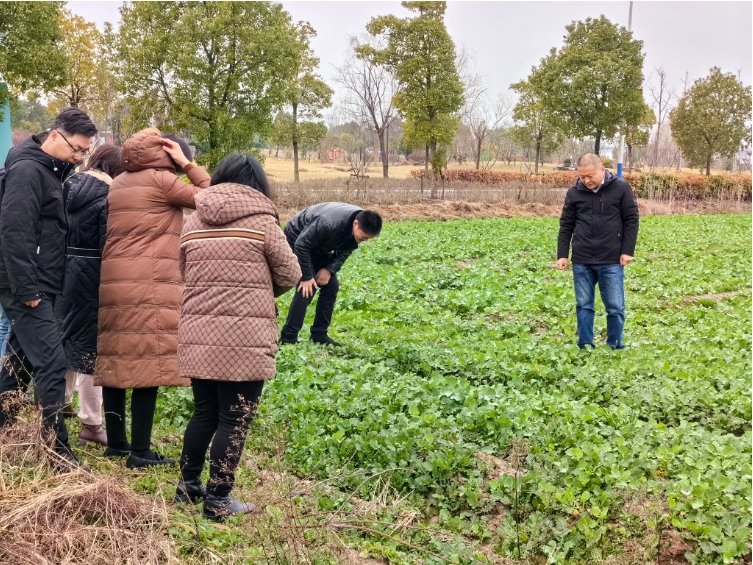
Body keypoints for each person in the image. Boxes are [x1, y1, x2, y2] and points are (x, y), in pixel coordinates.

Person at [174, 153, 301, 520]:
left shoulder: (194, 220)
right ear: (258, 185)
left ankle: (188, 485)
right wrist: (259, 289)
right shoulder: (263, 222)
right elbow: (291, 274)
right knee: (234, 419)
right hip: (244, 335)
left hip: (198, 331)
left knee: (204, 413)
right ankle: (218, 500)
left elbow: (186, 271)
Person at [95, 129, 211, 469]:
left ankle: (117, 443)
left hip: (114, 280)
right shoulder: (161, 179)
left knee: (117, 361)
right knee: (147, 365)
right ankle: (140, 453)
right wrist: (188, 164)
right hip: (149, 282)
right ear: (167, 154)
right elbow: (213, 198)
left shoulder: (119, 181)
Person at [0, 109, 97, 471]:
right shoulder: (29, 170)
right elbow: (14, 231)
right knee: (53, 364)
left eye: (85, 152)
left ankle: (3, 429)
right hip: (25, 283)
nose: (79, 158)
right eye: (77, 149)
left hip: (41, 281)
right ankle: (58, 455)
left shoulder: (50, 169)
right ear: (56, 135)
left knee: (20, 362)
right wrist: (28, 288)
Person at [55, 144, 124, 448]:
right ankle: (92, 423)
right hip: (92, 276)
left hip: (61, 271)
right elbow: (108, 247)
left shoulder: (68, 185)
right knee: (89, 351)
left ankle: (57, 405)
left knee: (64, 339)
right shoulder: (109, 198)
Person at [557, 153, 640, 350]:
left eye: (590, 176)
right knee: (584, 305)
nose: (586, 181)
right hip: (582, 260)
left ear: (602, 170)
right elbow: (566, 224)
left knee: (615, 307)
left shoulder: (621, 188)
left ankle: (615, 345)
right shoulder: (574, 193)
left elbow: (631, 220)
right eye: (582, 177)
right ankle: (585, 344)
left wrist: (627, 251)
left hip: (611, 259)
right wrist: (562, 254)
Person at [279, 203, 382, 346]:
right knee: (308, 288)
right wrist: (307, 277)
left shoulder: (356, 226)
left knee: (331, 286)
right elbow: (301, 245)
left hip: (318, 245)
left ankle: (319, 335)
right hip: (295, 240)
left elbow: (347, 249)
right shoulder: (328, 223)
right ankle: (288, 336)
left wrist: (329, 269)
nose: (365, 241)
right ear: (355, 223)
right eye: (364, 237)